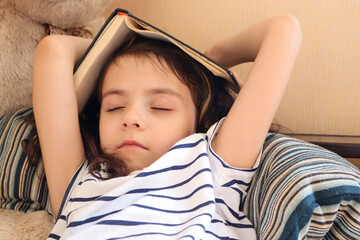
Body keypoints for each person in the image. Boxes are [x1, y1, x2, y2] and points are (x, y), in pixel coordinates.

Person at [32, 14, 301, 239]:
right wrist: (111, 45)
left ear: (200, 119)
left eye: (160, 106)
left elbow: (283, 31)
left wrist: (212, 57)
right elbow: (52, 50)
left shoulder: (210, 167)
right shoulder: (81, 182)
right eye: (114, 107)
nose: (131, 118)